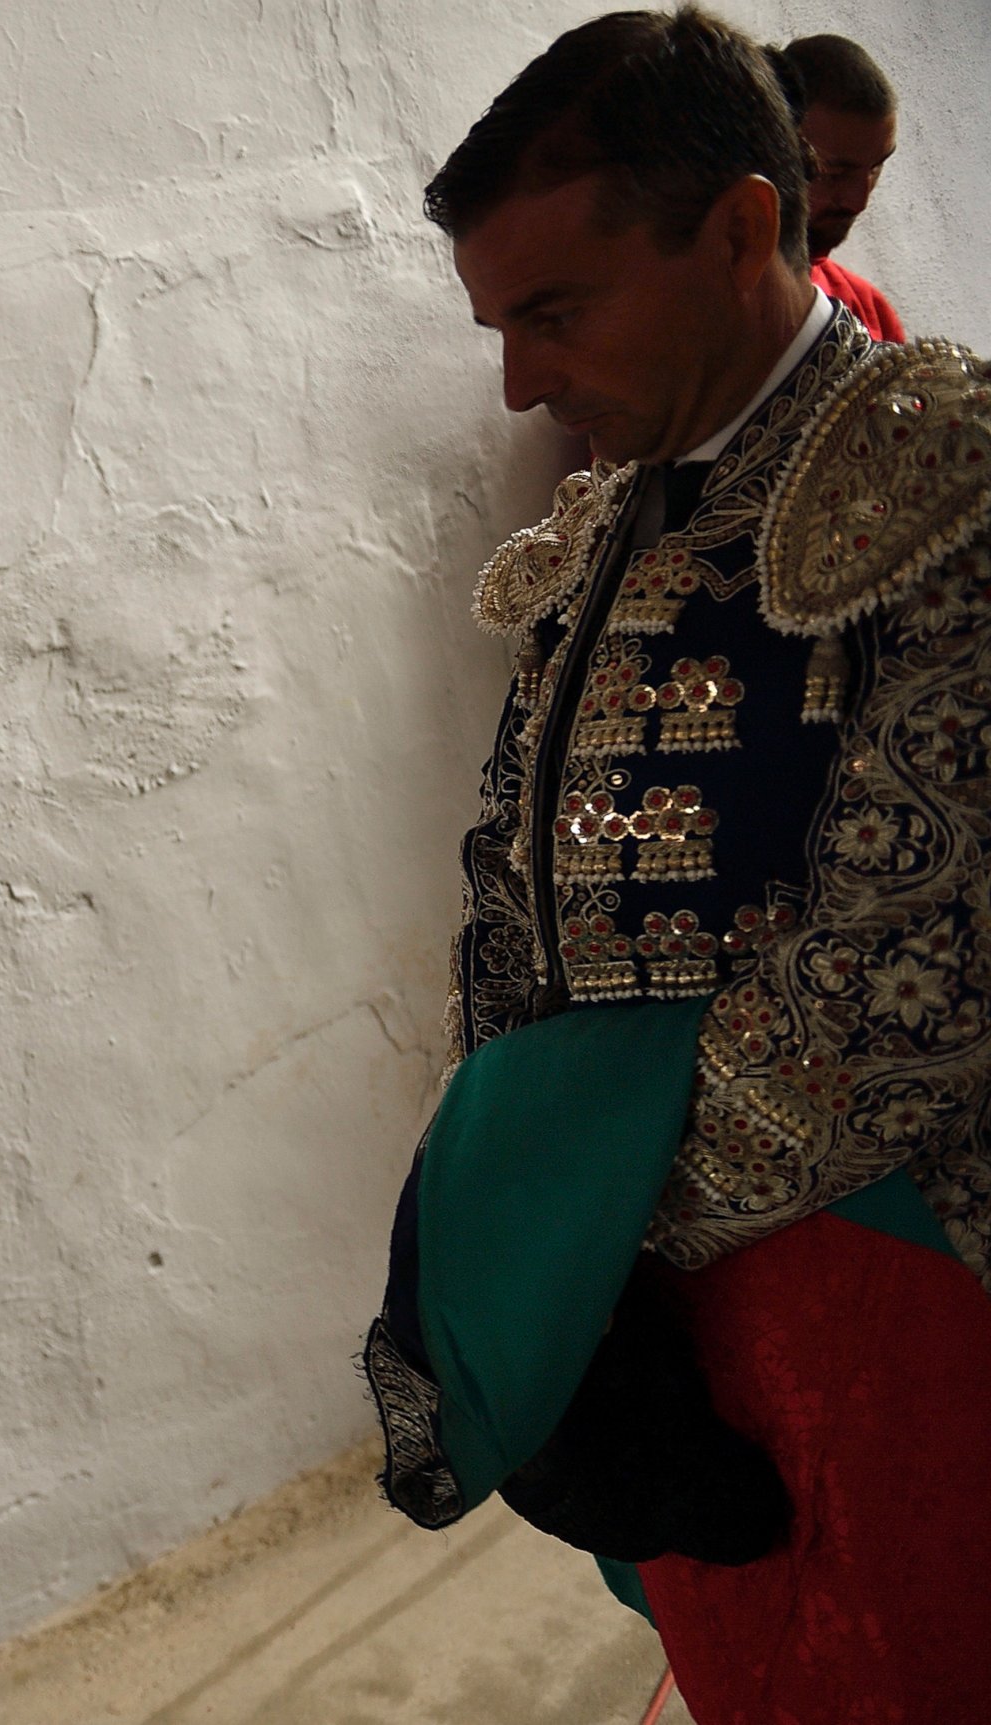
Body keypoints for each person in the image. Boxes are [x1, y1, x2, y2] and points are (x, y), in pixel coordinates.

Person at [359, 9, 991, 1721]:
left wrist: (575, 1221)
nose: (516, 380)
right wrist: (565, 1273)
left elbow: (917, 976)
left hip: (919, 1268)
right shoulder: (606, 530)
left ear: (731, 230)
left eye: (552, 311)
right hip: (670, 1290)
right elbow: (511, 900)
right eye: (496, 325)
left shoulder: (955, 477)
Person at [776, 33, 905, 340]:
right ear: (773, 148)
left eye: (875, 168)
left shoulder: (868, 311)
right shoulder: (691, 291)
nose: (859, 201)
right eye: (833, 173)